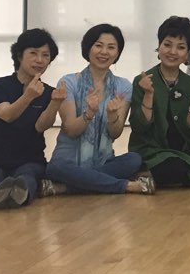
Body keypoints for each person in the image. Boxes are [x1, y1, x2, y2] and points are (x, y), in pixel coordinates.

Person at [44, 24, 153, 196]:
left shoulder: (123, 86)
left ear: (117, 53)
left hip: (103, 162)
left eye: (111, 47)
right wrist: (89, 113)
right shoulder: (69, 82)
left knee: (134, 159)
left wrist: (112, 115)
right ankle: (126, 186)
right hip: (68, 162)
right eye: (98, 45)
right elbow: (71, 130)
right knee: (56, 167)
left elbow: (115, 133)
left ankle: (65, 187)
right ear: (88, 48)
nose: (104, 52)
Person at [0, 28, 64, 208]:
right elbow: (7, 115)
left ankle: (21, 196)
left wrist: (55, 103)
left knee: (28, 176)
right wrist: (28, 96)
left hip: (29, 159)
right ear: (19, 56)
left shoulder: (48, 91)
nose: (40, 60)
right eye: (33, 53)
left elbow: (41, 126)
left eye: (45, 55)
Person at [128, 17, 190, 187]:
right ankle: (145, 174)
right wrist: (148, 95)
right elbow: (139, 126)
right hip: (152, 150)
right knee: (174, 167)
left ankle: (153, 177)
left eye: (181, 47)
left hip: (184, 150)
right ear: (159, 46)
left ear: (187, 53)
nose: (173, 52)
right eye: (167, 44)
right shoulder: (142, 80)